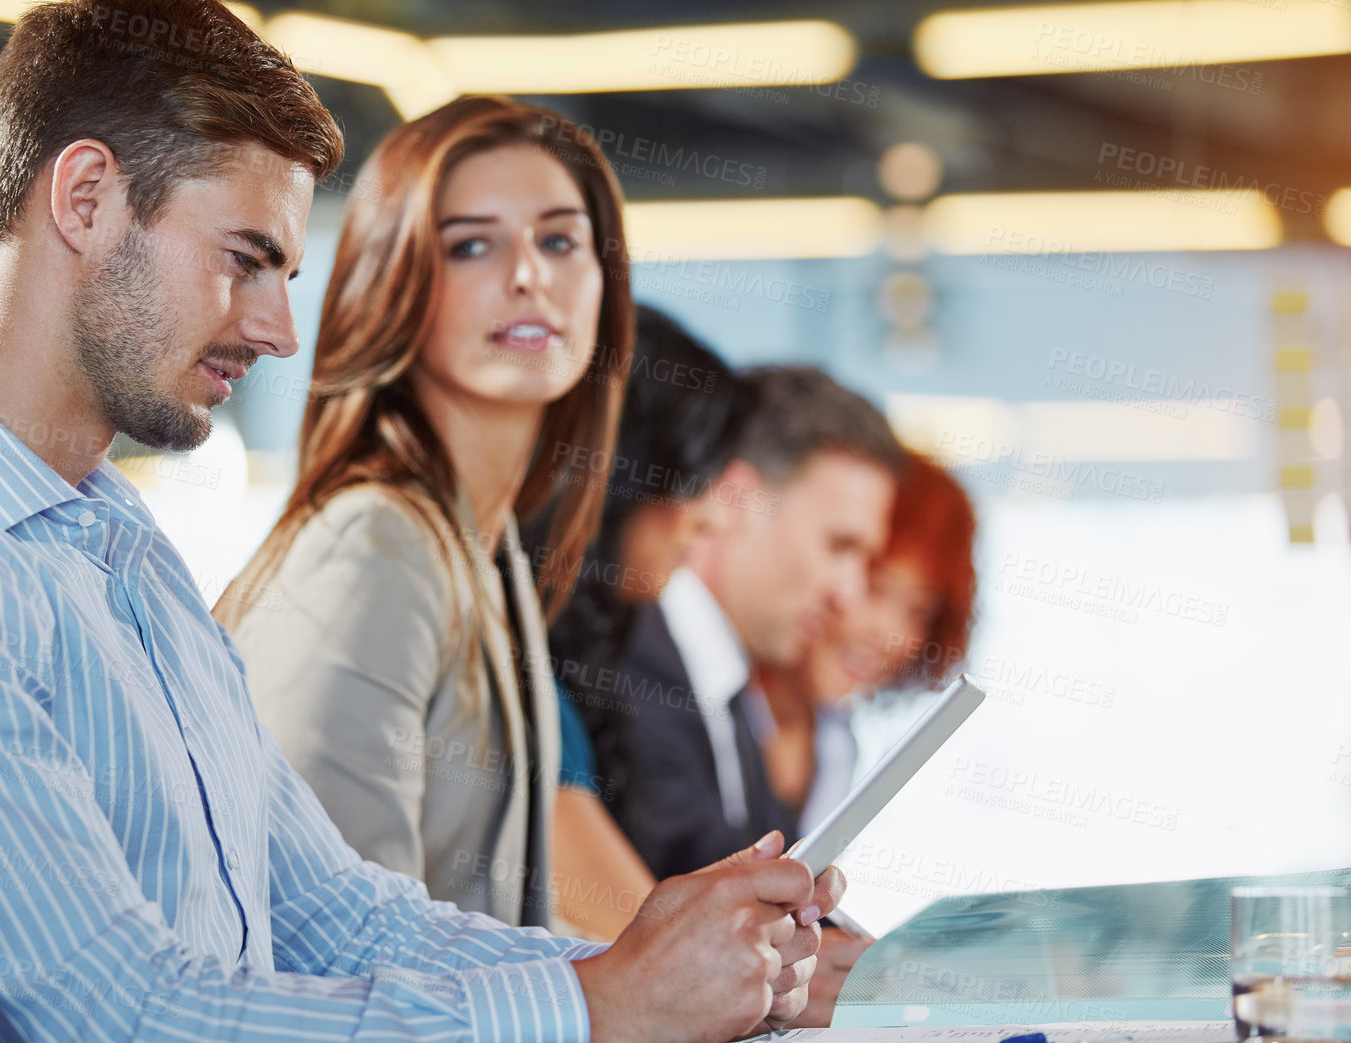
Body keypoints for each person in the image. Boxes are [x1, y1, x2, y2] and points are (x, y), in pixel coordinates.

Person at [0, 5, 842, 1043]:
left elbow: (332, 917)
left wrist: (659, 969)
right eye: (244, 260)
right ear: (83, 198)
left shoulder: (115, 546)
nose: (278, 328)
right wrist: (606, 1002)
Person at [214, 96, 628, 928]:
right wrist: (628, 980)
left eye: (559, 240)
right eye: (472, 245)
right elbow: (336, 943)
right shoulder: (374, 544)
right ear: (393, 284)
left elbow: (497, 928)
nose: (528, 275)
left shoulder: (485, 546)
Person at [607, 365, 905, 880]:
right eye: (839, 545)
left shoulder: (733, 694)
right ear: (739, 497)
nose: (848, 593)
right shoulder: (625, 653)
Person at [533, 305, 754, 938]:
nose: (709, 519)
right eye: (692, 478)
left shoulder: (579, 654)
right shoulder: (524, 669)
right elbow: (647, 949)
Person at [757, 450, 978, 1026]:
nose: (891, 634)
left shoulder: (835, 745)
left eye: (918, 610)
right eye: (878, 587)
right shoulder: (700, 698)